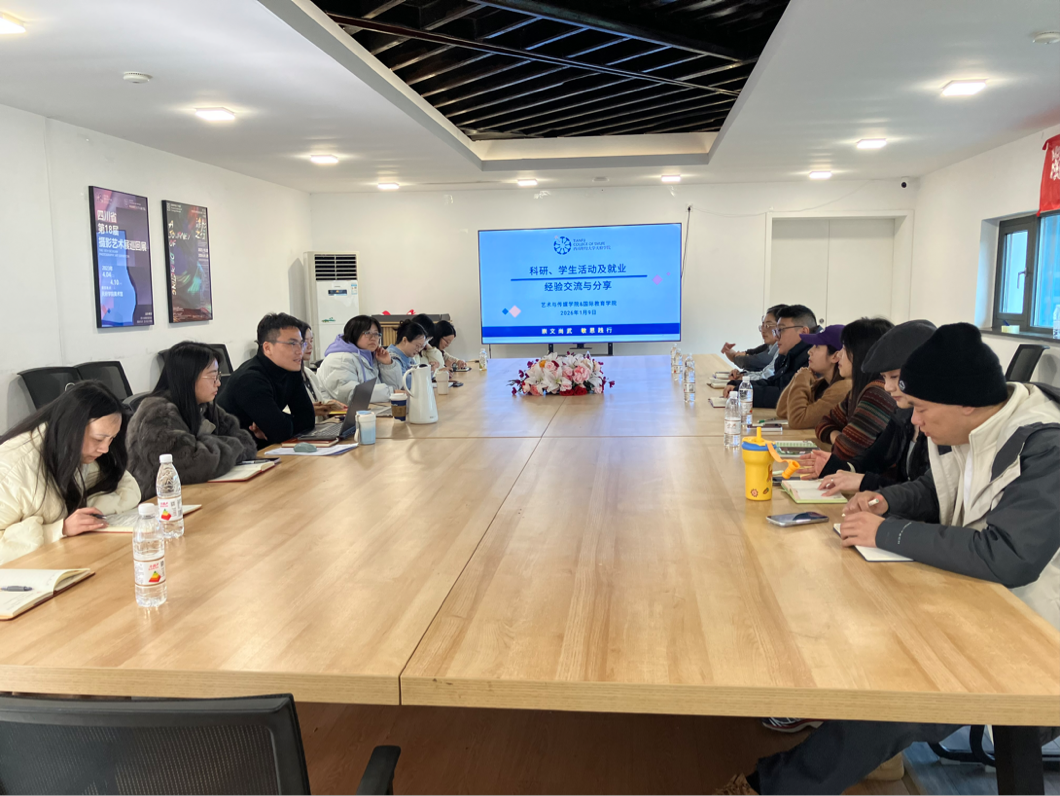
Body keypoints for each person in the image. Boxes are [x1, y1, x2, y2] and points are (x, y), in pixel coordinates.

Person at [717, 323, 1060, 796]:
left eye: (920, 408)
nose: (913, 421)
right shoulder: (976, 422)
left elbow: (1008, 555)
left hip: (1034, 634)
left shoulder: (1044, 446)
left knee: (894, 694)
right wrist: (887, 500)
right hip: (983, 600)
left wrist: (888, 532)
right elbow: (939, 488)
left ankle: (770, 788)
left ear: (964, 402)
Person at [0, 381, 140, 565]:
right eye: (99, 439)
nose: (105, 449)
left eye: (111, 439)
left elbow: (123, 484)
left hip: (57, 560)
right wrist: (60, 529)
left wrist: (86, 512)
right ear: (72, 428)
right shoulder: (12, 469)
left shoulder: (75, 452)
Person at [813, 320, 937, 495]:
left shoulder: (942, 424)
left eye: (894, 377)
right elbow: (875, 457)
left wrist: (864, 482)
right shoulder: (903, 412)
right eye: (884, 377)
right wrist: (838, 467)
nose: (887, 387)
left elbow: (927, 495)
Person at [127, 342, 258, 497]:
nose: (218, 383)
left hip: (200, 491)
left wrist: (208, 447)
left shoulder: (204, 406)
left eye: (218, 375)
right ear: (188, 377)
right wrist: (224, 447)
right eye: (212, 376)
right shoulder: (157, 413)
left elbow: (246, 443)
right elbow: (193, 465)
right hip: (160, 500)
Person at [217, 313, 316, 449]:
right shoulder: (250, 379)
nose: (300, 351)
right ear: (267, 348)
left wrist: (277, 422)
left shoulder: (291, 370)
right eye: (292, 344)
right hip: (236, 453)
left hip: (267, 448)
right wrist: (279, 424)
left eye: (301, 343)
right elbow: (281, 431)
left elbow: (308, 420)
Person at [813, 318, 896, 462]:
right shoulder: (859, 390)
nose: (839, 355)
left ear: (862, 354)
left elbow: (845, 451)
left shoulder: (877, 393)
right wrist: (838, 437)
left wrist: (840, 440)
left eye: (845, 349)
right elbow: (823, 424)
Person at [724, 304, 818, 408]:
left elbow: (787, 396)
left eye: (781, 330)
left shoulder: (816, 358)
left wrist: (742, 392)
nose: (776, 337)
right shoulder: (790, 353)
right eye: (776, 331)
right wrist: (738, 385)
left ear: (804, 333)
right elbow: (774, 383)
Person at [775, 324, 851, 430]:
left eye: (817, 346)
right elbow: (783, 411)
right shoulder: (823, 384)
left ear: (835, 356)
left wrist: (802, 378)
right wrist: (798, 377)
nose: (809, 351)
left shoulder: (843, 388)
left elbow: (797, 420)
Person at [317, 315, 403, 404]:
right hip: (338, 412)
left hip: (369, 409)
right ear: (354, 333)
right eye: (367, 333)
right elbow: (351, 394)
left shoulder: (372, 356)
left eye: (376, 334)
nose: (373, 338)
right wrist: (390, 393)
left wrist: (387, 364)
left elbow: (396, 387)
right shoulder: (339, 359)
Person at [294, 320, 344, 416]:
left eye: (311, 341)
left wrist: (329, 403)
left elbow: (317, 400)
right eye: (304, 341)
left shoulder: (308, 373)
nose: (310, 346)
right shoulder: (284, 377)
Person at [722, 305, 786, 374]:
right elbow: (751, 353)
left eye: (768, 325)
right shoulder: (769, 345)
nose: (763, 330)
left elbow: (751, 361)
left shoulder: (781, 349)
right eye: (763, 325)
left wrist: (735, 356)